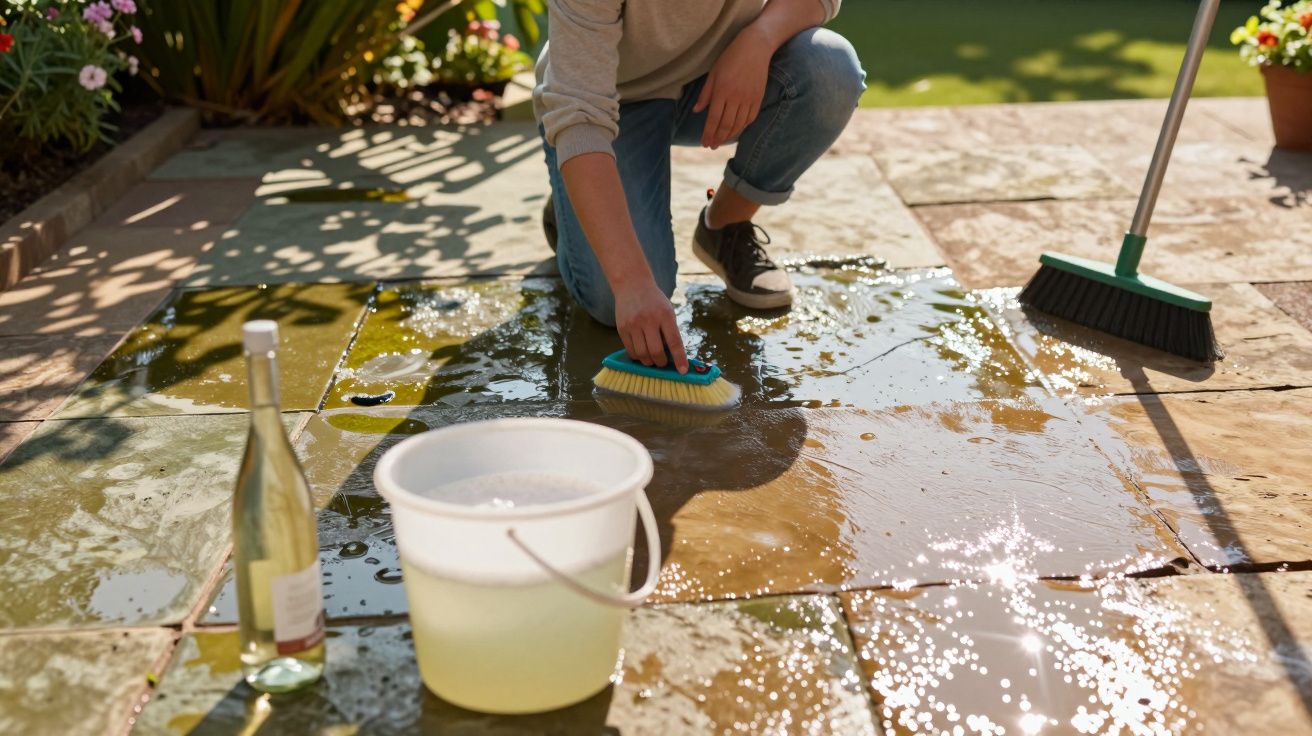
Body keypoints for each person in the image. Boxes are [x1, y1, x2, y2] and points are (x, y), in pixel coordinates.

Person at [534, 0, 865, 374]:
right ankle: (575, 206)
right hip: (616, 95)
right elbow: (580, 114)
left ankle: (723, 228)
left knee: (829, 69)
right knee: (616, 300)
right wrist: (632, 283)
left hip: (723, 74)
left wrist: (759, 38)